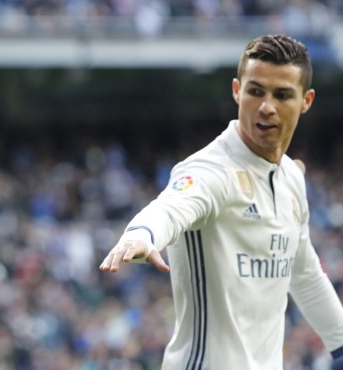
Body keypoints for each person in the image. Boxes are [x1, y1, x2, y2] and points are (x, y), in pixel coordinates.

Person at [100, 34, 343, 369]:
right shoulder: (211, 171)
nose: (266, 106)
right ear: (236, 91)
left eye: (282, 95)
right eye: (255, 91)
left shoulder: (291, 178)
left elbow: (303, 274)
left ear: (306, 100)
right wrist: (141, 234)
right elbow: (170, 208)